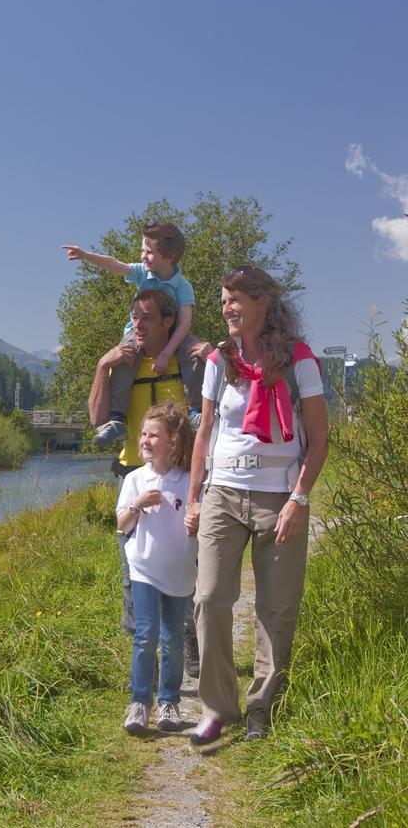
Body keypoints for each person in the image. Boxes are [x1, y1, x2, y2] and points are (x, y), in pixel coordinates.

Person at [183, 266, 329, 745]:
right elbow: (204, 432)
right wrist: (194, 498)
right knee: (208, 598)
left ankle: (262, 707)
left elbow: (320, 440)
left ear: (265, 303)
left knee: (276, 606)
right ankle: (218, 707)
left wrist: (298, 499)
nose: (227, 307)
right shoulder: (219, 361)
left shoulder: (299, 361)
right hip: (222, 493)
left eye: (237, 299)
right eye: (224, 298)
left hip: (279, 497)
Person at [88, 289, 204, 678]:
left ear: (168, 321)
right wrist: (102, 364)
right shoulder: (122, 362)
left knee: (187, 565)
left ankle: (188, 639)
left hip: (183, 480)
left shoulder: (185, 360)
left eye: (146, 318)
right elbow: (96, 418)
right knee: (130, 571)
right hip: (133, 477)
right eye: (134, 317)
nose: (137, 325)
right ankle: (145, 657)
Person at [65, 222, 204, 445]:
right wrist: (86, 255)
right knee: (124, 357)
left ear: (169, 256)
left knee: (194, 354)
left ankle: (197, 410)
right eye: (142, 250)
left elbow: (185, 322)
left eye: (149, 252)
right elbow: (115, 265)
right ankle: (116, 418)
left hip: (174, 331)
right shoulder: (142, 272)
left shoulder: (183, 286)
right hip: (137, 332)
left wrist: (168, 353)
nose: (143, 256)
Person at [116, 403, 197, 734]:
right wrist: (137, 505)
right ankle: (139, 703)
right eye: (143, 434)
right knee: (146, 634)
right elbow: (122, 524)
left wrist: (197, 516)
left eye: (153, 434)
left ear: (172, 441)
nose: (145, 440)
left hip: (179, 571)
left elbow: (198, 515)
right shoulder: (136, 478)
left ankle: (169, 702)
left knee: (173, 638)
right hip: (144, 567)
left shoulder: (189, 480)